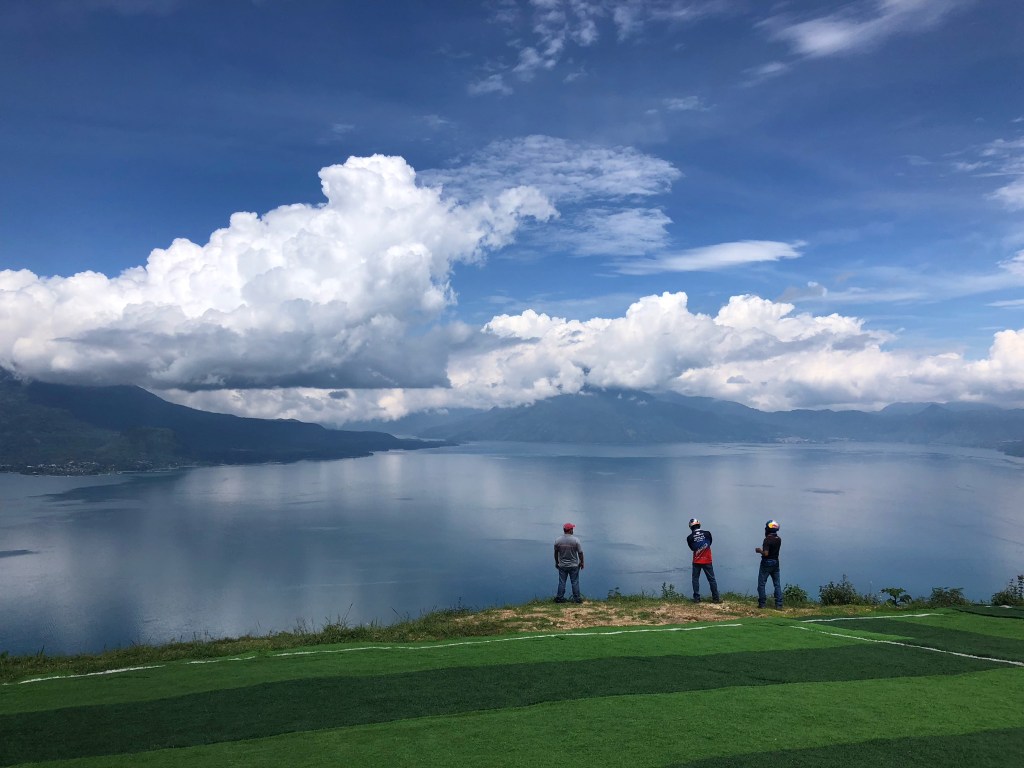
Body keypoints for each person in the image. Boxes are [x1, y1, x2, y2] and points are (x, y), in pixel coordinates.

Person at [686, 518, 721, 603]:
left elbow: (692, 548)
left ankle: (696, 598)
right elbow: (710, 543)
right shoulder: (707, 533)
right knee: (711, 579)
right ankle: (716, 598)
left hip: (696, 561)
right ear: (699, 525)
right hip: (707, 560)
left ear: (690, 527)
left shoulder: (689, 537)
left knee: (695, 579)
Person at [553, 522, 585, 603]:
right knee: (575, 582)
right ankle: (577, 599)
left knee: (562, 582)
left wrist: (557, 562)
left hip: (562, 565)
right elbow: (580, 553)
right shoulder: (576, 540)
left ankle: (559, 598)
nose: (573, 530)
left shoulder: (558, 540)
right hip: (574, 565)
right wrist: (582, 562)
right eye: (572, 529)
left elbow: (556, 553)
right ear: (570, 530)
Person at [755, 519, 782, 609]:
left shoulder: (767, 540)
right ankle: (779, 604)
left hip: (766, 563)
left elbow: (766, 553)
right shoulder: (779, 539)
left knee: (761, 584)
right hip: (776, 563)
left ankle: (762, 604)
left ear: (768, 530)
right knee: (777, 584)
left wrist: (759, 551)